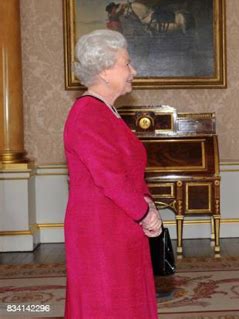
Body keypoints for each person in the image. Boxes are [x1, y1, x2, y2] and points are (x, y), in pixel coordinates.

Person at [63, 29, 161, 318]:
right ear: (105, 71)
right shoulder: (87, 115)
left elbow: (127, 170)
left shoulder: (106, 111)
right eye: (126, 63)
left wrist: (147, 203)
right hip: (101, 232)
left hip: (119, 225)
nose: (134, 70)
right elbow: (110, 177)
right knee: (107, 303)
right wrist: (144, 214)